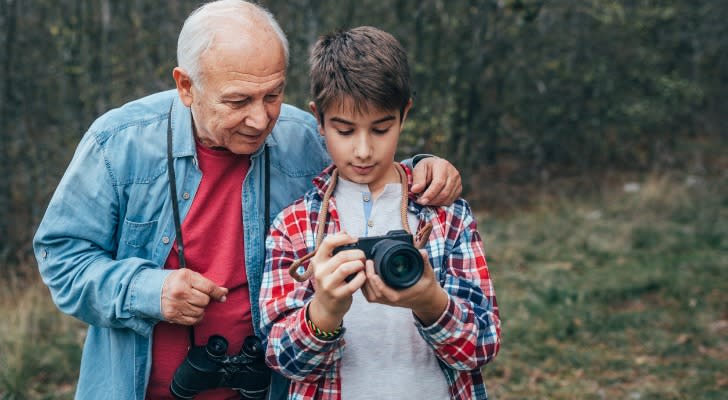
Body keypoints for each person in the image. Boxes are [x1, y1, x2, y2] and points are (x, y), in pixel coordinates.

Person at [32, 2, 463, 400]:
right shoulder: (118, 145)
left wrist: (425, 167)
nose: (260, 120)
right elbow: (62, 258)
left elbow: (363, 158)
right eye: (238, 101)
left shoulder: (298, 137)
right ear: (186, 86)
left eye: (272, 95)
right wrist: (149, 290)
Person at [259, 26, 501, 400]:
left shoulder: (445, 216)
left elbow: (481, 347)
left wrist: (429, 302)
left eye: (381, 128)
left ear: (404, 114)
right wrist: (323, 312)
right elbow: (281, 359)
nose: (363, 150)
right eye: (344, 130)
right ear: (318, 120)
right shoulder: (294, 225)